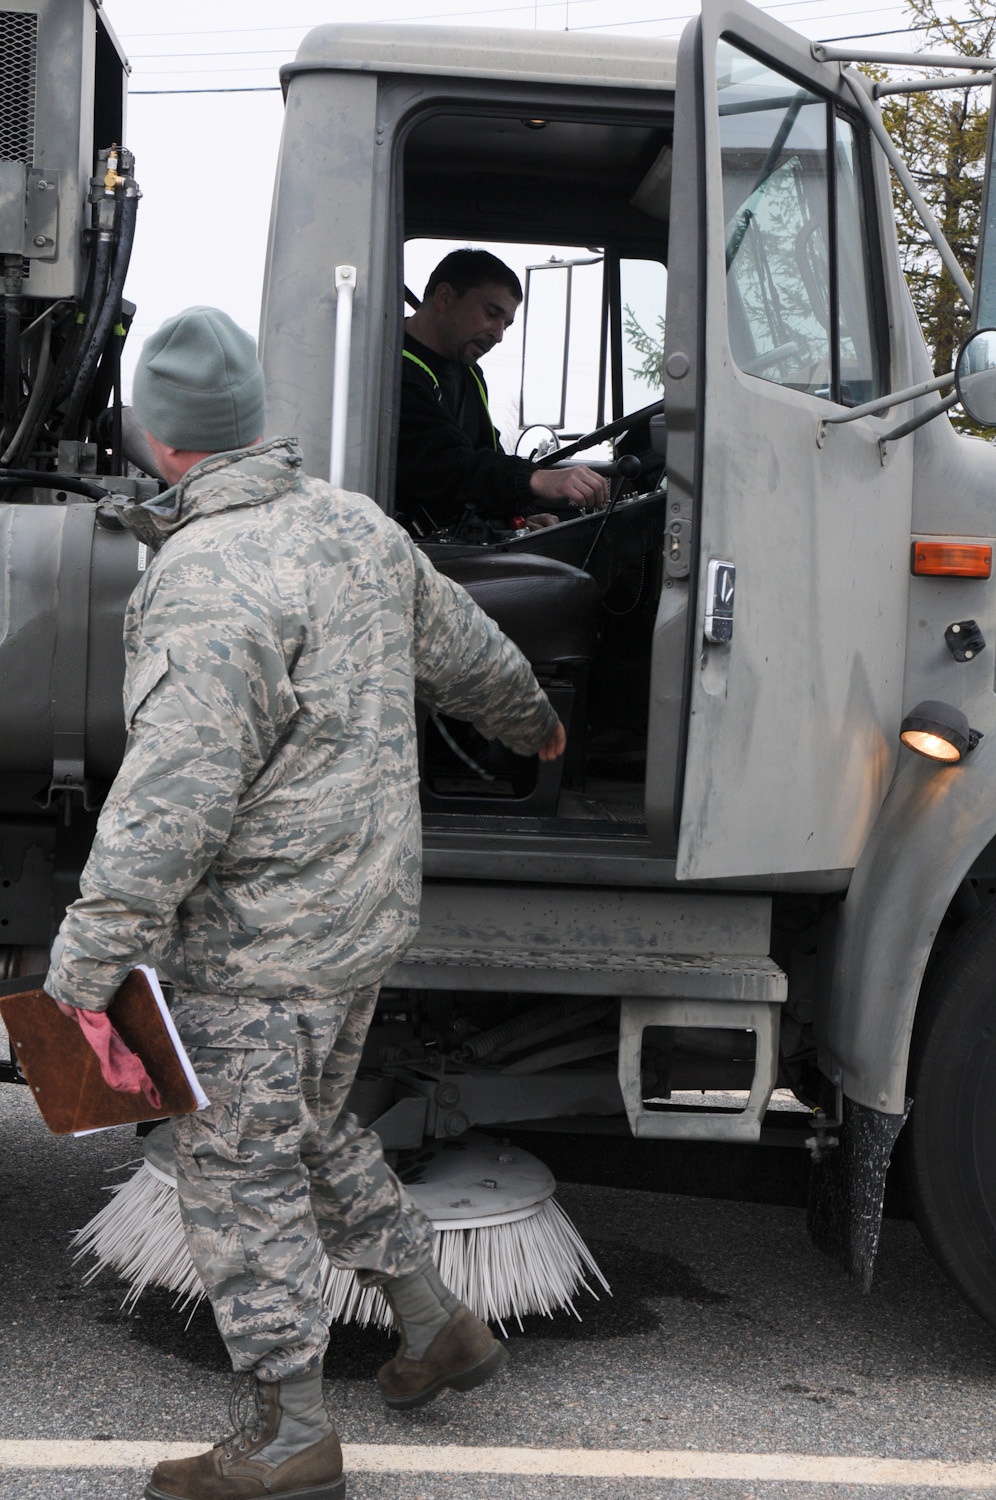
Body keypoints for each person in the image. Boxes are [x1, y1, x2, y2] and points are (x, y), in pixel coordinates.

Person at [43, 306, 566, 1500]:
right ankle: (437, 1325)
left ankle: (284, 1435)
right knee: (317, 1133)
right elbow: (471, 649)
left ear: (158, 436)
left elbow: (168, 808)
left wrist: (79, 982)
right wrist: (536, 722)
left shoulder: (206, 576)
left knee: (240, 1175)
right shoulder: (355, 525)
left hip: (255, 950)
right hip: (359, 928)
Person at [397, 247, 609, 537]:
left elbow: (485, 454)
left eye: (506, 325)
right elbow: (445, 466)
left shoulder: (469, 372)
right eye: (491, 314)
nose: (497, 335)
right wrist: (535, 479)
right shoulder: (395, 370)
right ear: (445, 297)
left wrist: (516, 517)